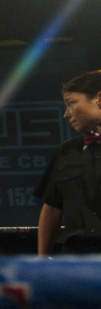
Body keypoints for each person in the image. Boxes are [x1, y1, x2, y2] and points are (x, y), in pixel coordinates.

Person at [36, 70, 101, 254]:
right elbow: (52, 208)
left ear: (99, 99)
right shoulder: (67, 151)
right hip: (75, 259)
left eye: (71, 103)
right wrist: (42, 259)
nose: (66, 114)